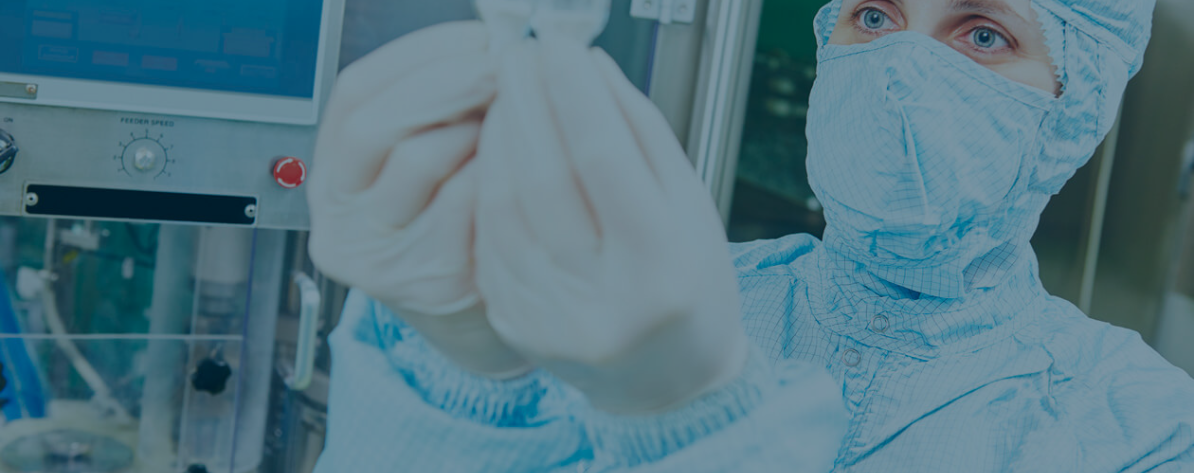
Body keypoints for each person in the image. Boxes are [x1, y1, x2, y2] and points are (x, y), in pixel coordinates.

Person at [307, 0, 1194, 471]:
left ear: (1073, 112)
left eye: (984, 32)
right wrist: (467, 371)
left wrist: (688, 420)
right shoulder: (624, 307)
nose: (899, 68)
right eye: (875, 17)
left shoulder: (1140, 433)